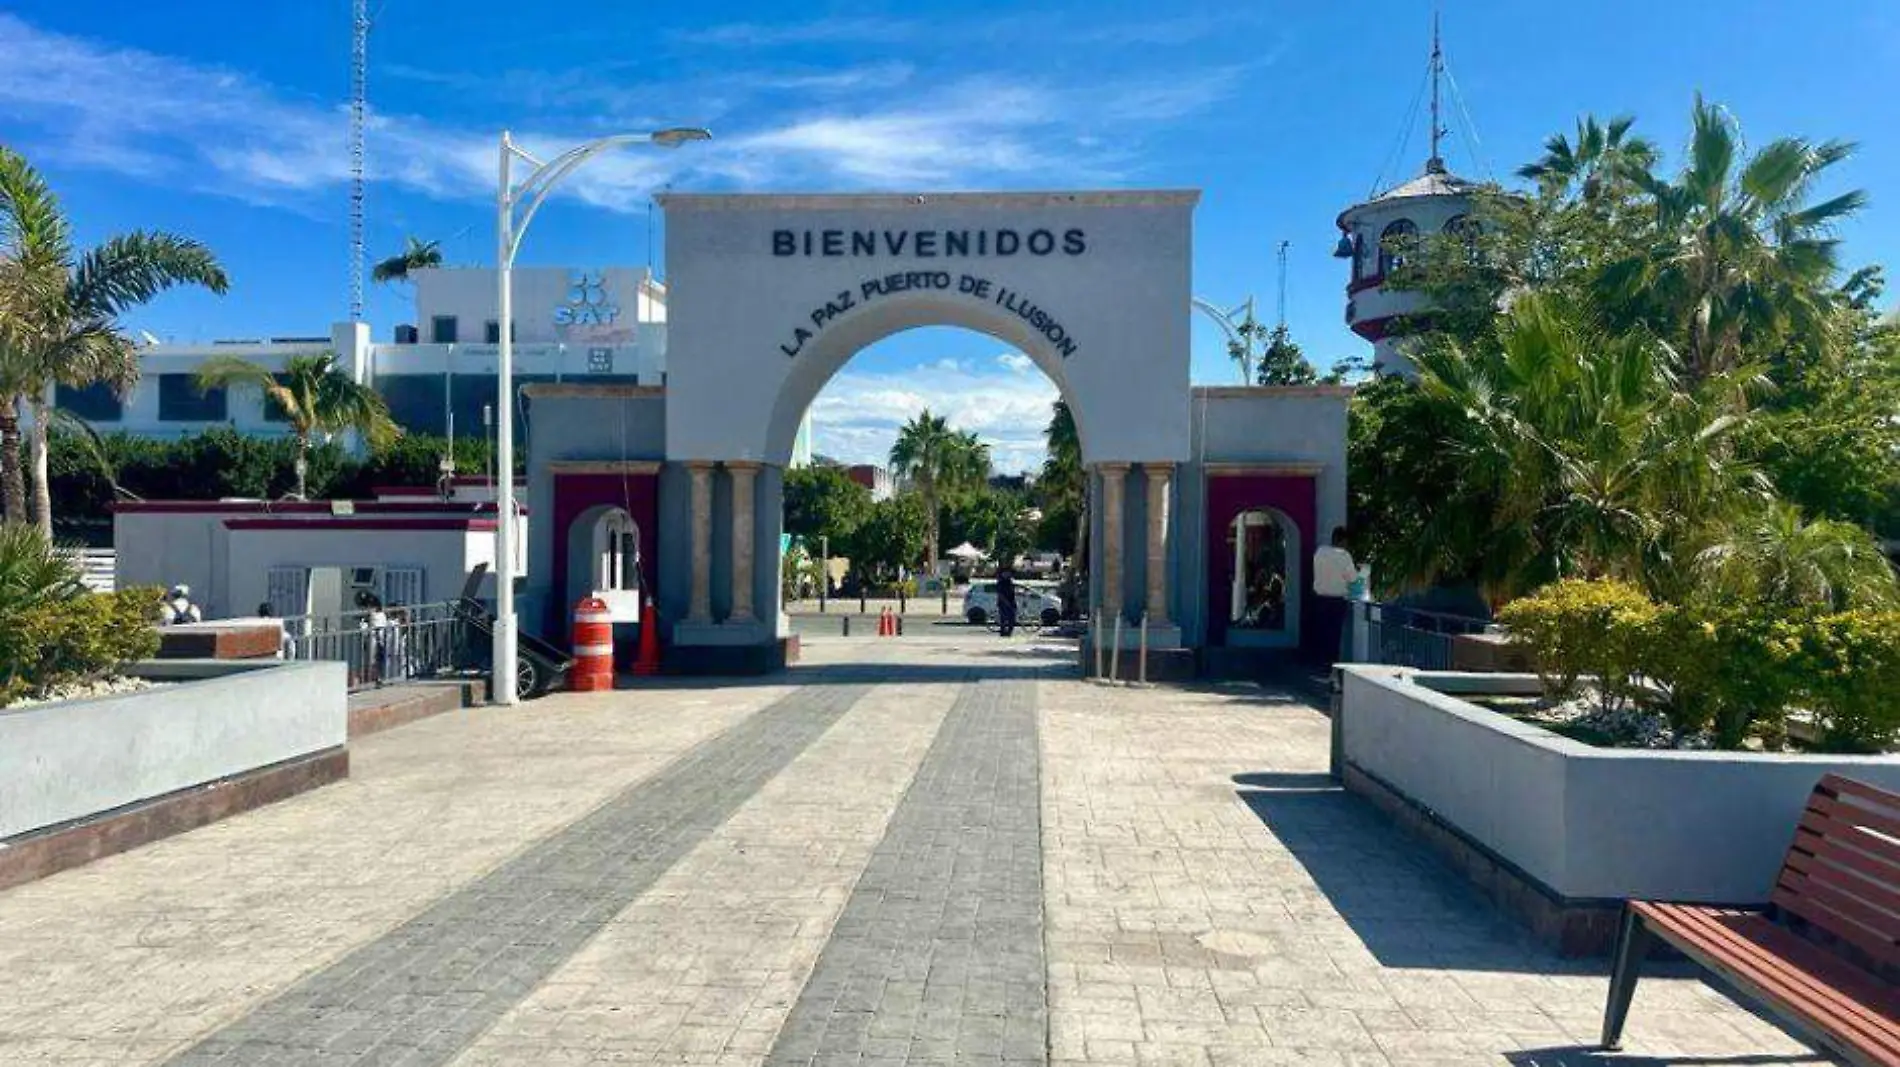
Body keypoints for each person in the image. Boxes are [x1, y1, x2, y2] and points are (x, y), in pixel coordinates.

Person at [1312, 526, 1362, 662]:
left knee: (1321, 631)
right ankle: (1331, 665)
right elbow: (1353, 579)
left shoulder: (1320, 552)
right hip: (1337, 600)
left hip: (1320, 598)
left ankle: (1319, 661)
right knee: (1335, 634)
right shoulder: (1344, 556)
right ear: (1342, 541)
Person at [995, 566, 1019, 638]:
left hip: (1011, 601)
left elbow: (1013, 592)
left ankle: (1009, 632)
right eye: (1006, 573)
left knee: (1012, 618)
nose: (1008, 574)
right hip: (1003, 602)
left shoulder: (1010, 581)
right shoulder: (1000, 582)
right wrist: (1005, 601)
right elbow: (1000, 593)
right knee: (1004, 618)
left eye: (1009, 573)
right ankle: (1003, 632)